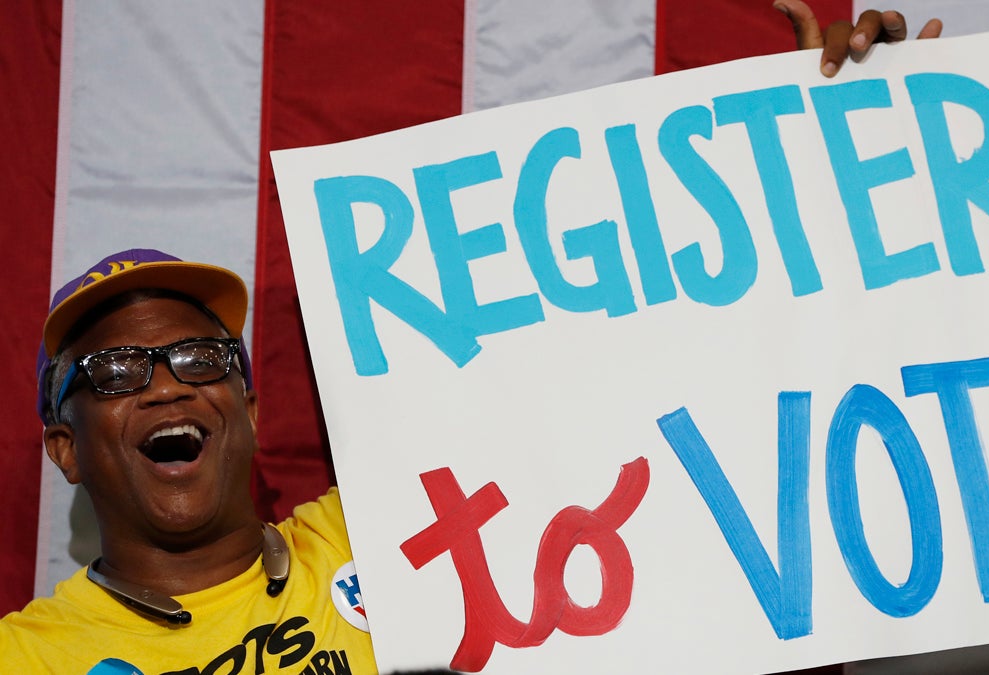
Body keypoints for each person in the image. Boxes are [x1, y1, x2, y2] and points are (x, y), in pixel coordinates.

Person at [0, 6, 938, 673]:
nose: (167, 384)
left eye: (201, 358)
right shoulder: (28, 656)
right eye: (117, 370)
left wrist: (818, 166)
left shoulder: (400, 534)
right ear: (65, 445)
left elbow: (672, 415)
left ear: (246, 402)